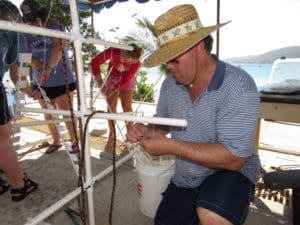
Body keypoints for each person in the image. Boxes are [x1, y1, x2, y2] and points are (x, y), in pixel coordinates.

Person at [126, 4, 261, 225]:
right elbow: (163, 124)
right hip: (187, 175)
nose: (168, 66)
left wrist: (169, 146)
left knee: (212, 216)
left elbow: (234, 159)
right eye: (165, 59)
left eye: (174, 59)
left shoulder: (238, 87)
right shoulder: (171, 85)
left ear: (199, 47)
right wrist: (146, 130)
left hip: (231, 172)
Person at [20, 0, 78, 153]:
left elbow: (59, 46)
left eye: (35, 19)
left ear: (42, 14)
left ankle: (75, 141)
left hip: (62, 78)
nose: (32, 24)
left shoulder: (54, 24)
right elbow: (22, 56)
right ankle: (56, 140)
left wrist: (48, 68)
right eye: (29, 21)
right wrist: (33, 62)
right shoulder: (23, 32)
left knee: (66, 111)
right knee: (48, 113)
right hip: (41, 81)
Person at [0, 0, 38, 201]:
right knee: (2, 139)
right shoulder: (16, 33)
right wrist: (36, 93)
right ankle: (18, 185)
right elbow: (20, 78)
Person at [91, 43, 143, 144]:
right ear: (123, 50)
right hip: (112, 76)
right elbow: (95, 63)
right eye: (124, 58)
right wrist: (101, 84)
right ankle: (112, 133)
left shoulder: (136, 63)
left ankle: (130, 135)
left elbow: (126, 79)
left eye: (129, 61)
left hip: (126, 79)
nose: (124, 61)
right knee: (111, 106)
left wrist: (114, 89)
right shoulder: (113, 51)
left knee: (127, 107)